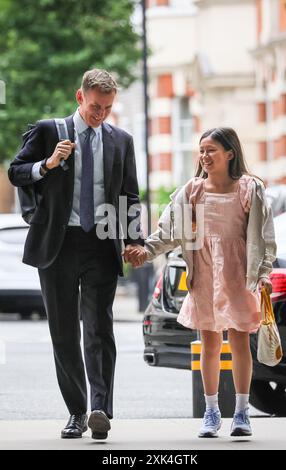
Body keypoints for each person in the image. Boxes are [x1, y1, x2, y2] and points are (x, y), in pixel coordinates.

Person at [8, 69, 144, 440]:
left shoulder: (121, 140)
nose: (101, 114)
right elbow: (16, 172)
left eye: (108, 108)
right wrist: (48, 164)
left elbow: (129, 195)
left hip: (101, 241)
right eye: (96, 106)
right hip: (58, 242)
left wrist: (136, 240)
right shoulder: (49, 130)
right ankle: (76, 412)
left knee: (100, 328)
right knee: (63, 332)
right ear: (79, 97)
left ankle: (100, 407)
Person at [125, 127, 276, 438]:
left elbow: (264, 238)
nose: (205, 156)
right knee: (208, 343)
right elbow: (168, 231)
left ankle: (242, 412)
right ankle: (211, 412)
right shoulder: (192, 191)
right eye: (202, 150)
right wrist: (145, 250)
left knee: (238, 343)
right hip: (204, 273)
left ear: (230, 153)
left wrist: (263, 274)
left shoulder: (249, 189)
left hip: (238, 274)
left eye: (212, 150)